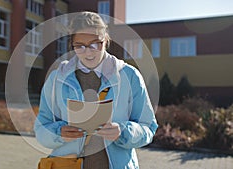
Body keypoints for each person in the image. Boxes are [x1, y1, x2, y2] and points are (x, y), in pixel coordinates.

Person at [34, 11, 158, 169]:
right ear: (72, 44)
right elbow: (41, 128)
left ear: (105, 40)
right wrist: (59, 133)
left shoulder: (130, 76)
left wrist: (123, 132)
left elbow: (148, 128)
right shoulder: (57, 78)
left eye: (95, 43)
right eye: (80, 46)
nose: (88, 51)